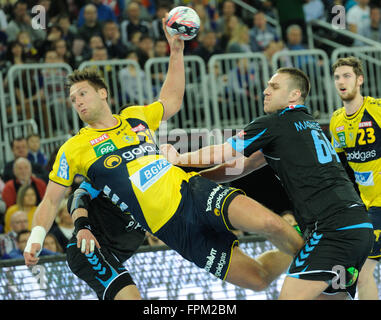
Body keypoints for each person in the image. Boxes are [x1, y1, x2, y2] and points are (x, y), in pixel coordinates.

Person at [24, 16, 303, 295]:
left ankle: (321, 257)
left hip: (193, 193)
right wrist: (36, 238)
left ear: (103, 93)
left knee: (269, 223)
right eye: (73, 99)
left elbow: (171, 100)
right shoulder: (74, 147)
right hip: (173, 232)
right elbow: (50, 200)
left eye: (83, 94)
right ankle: (309, 250)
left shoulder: (135, 116)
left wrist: (177, 52)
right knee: (259, 279)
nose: (78, 102)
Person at [161, 67, 374, 300]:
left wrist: (180, 159)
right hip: (358, 229)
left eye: (274, 87)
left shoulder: (275, 122)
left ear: (294, 95)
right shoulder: (305, 124)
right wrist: (198, 179)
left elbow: (223, 153)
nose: (265, 91)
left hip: (332, 229)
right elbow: (244, 166)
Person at [329, 56, 381, 300]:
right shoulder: (336, 121)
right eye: (337, 77)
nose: (341, 81)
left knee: (361, 271)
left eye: (347, 75)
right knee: (358, 271)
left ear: (360, 80)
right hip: (366, 206)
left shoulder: (376, 110)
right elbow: (338, 168)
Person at [65, 180, 145, 300]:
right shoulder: (112, 171)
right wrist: (82, 226)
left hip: (113, 259)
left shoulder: (163, 196)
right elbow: (79, 195)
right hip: (89, 247)